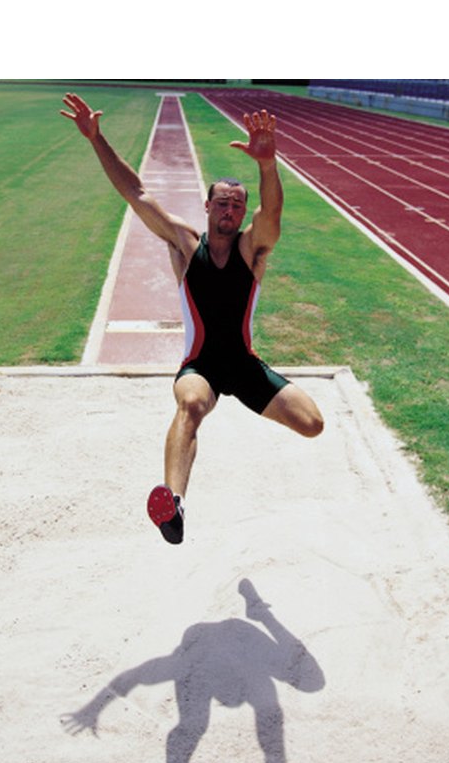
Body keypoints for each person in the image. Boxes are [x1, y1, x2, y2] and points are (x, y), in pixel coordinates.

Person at [60, 93, 324, 544]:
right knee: (191, 405)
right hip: (200, 365)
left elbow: (273, 214)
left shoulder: (251, 249)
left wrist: (266, 165)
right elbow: (136, 193)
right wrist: (96, 140)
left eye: (236, 206)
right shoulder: (185, 244)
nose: (229, 211)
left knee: (313, 424)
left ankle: (177, 497)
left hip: (243, 364)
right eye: (221, 203)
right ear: (207, 207)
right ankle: (173, 504)